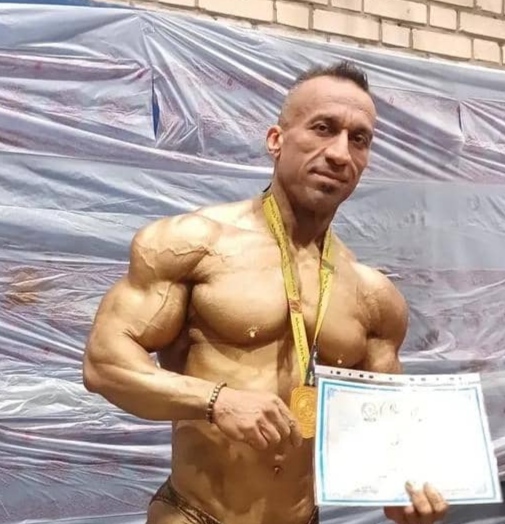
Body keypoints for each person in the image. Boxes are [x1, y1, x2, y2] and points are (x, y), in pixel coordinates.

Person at [83, 60, 449, 524]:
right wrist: (217, 400)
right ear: (276, 140)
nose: (340, 153)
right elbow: (104, 365)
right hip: (196, 514)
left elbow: (384, 428)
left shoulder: (374, 296)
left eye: (359, 139)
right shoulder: (193, 244)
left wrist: (401, 489)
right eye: (323, 128)